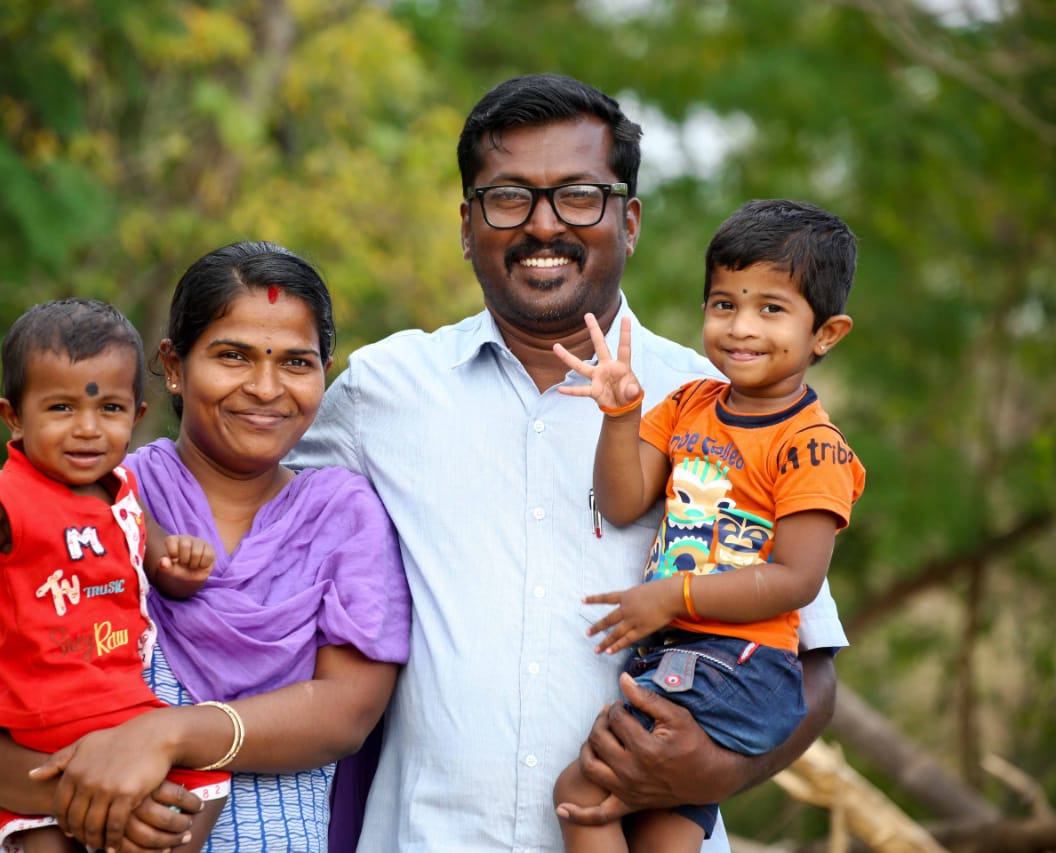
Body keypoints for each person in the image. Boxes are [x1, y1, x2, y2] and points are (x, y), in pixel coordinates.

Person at [288, 74, 850, 851]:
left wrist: (715, 773)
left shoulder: (721, 400)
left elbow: (813, 670)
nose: (543, 225)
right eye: (508, 196)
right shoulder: (383, 390)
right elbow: (240, 505)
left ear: (631, 220)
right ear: (466, 223)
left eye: (580, 195)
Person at [0, 242, 411, 853]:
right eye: (233, 356)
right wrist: (78, 799)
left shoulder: (345, 516)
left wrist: (166, 736)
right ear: (173, 366)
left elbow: (345, 712)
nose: (265, 387)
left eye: (298, 364)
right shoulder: (92, 497)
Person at [549, 199, 865, 852]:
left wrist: (672, 595)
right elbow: (622, 500)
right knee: (663, 833)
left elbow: (798, 578)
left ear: (826, 333)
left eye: (770, 309)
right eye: (724, 304)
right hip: (686, 660)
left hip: (737, 666)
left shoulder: (812, 446)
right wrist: (620, 416)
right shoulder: (690, 404)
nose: (741, 327)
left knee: (581, 793)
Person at [0, 298, 228, 853]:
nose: (88, 430)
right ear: (14, 416)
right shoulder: (2, 500)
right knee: (49, 831)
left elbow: (164, 571)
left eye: (110, 409)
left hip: (120, 707)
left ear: (136, 416)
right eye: (62, 409)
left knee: (205, 781)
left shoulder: (123, 495)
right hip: (45, 711)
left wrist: (185, 562)